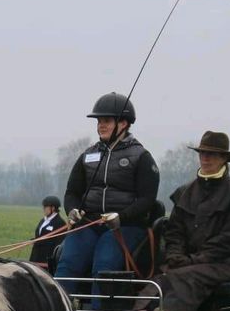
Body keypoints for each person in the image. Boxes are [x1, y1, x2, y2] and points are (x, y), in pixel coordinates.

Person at [150, 131, 230, 311]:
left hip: (224, 263)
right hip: (188, 262)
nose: (206, 158)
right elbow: (174, 231)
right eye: (202, 153)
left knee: (186, 276)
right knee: (159, 277)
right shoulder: (185, 192)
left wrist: (192, 260)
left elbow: (228, 241)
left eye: (212, 154)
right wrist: (175, 255)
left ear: (224, 159)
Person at [55, 92, 160, 294]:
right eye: (99, 121)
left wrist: (121, 216)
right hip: (90, 224)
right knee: (67, 264)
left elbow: (147, 199)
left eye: (107, 121)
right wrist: (73, 210)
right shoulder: (88, 155)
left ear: (123, 123)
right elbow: (72, 191)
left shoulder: (142, 157)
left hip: (125, 226)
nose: (101, 125)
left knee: (104, 263)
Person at [29, 195, 65, 267]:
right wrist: (35, 240)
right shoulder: (43, 220)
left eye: (45, 207)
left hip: (47, 260)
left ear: (53, 208)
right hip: (35, 257)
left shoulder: (60, 223)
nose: (43, 209)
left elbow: (58, 244)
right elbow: (40, 236)